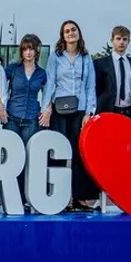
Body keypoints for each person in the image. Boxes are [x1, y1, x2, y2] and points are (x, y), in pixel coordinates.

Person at [39, 19, 99, 211]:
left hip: (80, 110)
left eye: (73, 30)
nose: (71, 33)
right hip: (60, 109)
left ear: (79, 33)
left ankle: (79, 198)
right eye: (67, 31)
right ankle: (60, 196)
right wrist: (46, 107)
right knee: (60, 152)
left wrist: (89, 111)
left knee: (79, 153)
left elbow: (90, 86)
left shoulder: (86, 58)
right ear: (62, 36)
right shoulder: (56, 57)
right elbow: (50, 83)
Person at [4, 34, 47, 145]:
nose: (28, 52)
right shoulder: (13, 69)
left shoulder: (41, 73)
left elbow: (48, 93)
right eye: (25, 49)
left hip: (31, 119)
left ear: (36, 51)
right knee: (11, 151)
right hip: (12, 117)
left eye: (31, 49)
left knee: (28, 152)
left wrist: (48, 109)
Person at [95, 25, 131, 118]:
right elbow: (96, 88)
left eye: (125, 39)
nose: (121, 42)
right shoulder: (100, 63)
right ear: (112, 40)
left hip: (129, 112)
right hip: (107, 111)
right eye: (118, 39)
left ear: (129, 41)